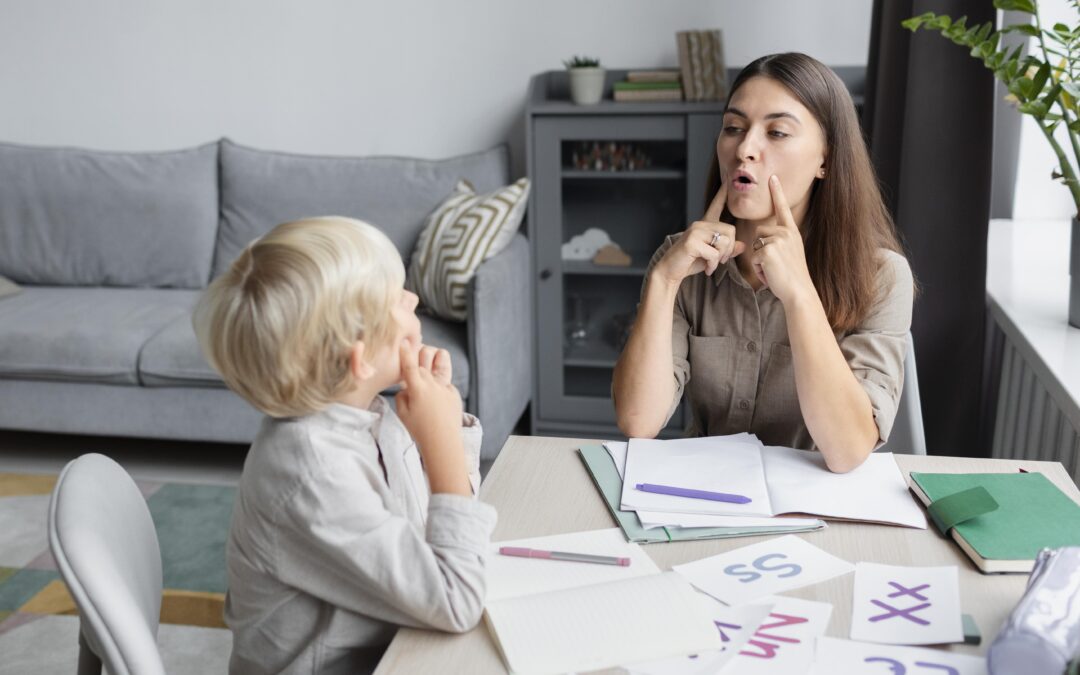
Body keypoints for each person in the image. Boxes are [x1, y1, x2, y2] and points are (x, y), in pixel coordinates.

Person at [193, 216, 497, 675]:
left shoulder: (366, 413)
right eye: (397, 296)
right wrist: (441, 446)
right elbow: (457, 600)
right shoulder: (313, 472)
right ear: (360, 357)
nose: (413, 298)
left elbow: (441, 535)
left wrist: (445, 430)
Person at [612, 52, 914, 473]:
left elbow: (848, 451)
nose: (745, 149)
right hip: (701, 493)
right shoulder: (680, 262)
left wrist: (799, 293)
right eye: (733, 128)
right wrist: (664, 280)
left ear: (825, 159)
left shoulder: (882, 276)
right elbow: (638, 421)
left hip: (813, 506)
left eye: (777, 132)